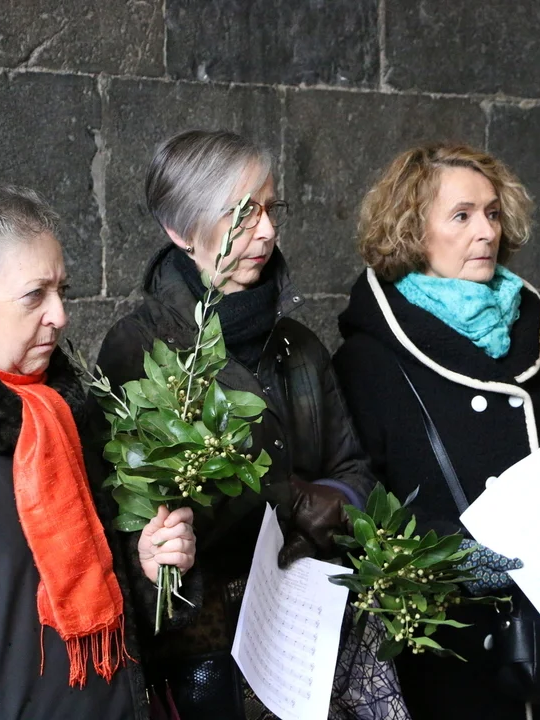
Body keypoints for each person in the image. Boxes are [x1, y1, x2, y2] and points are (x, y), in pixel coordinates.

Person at [93, 129, 393, 719]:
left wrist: (331, 508)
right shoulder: (140, 350)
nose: (267, 231)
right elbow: (116, 519)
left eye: (271, 209)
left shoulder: (299, 346)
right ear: (180, 230)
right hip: (208, 654)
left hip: (308, 635)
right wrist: (160, 555)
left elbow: (354, 467)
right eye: (242, 213)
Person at [0, 184, 195, 719]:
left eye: (61, 290)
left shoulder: (69, 410)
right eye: (34, 295)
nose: (60, 315)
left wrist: (145, 566)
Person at [331, 144, 540, 720]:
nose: (486, 232)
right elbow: (361, 504)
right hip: (445, 648)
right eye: (462, 216)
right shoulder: (369, 360)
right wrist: (452, 554)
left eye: (492, 213)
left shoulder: (532, 341)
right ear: (412, 231)